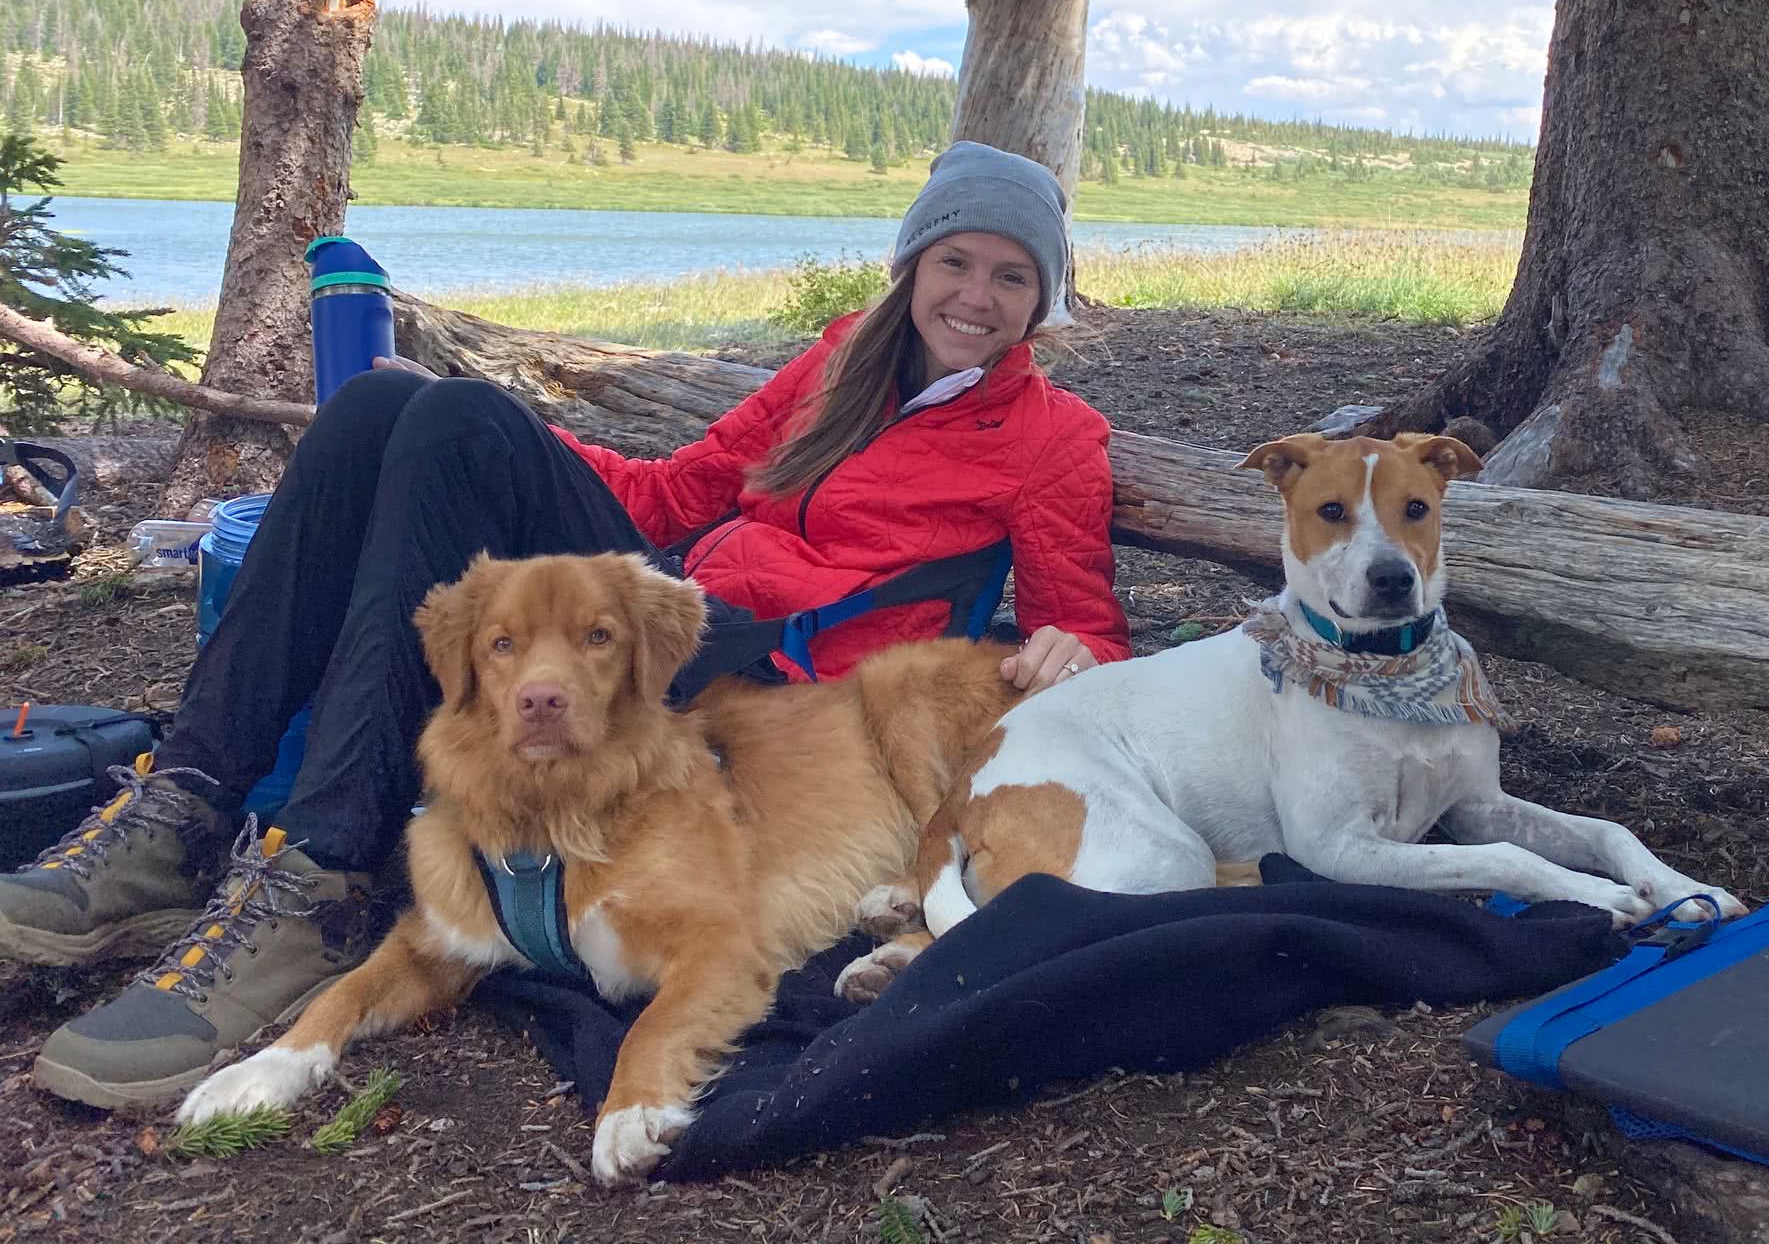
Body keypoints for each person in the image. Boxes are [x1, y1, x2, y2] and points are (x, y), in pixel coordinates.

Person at [0, 141, 1128, 1110]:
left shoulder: (1052, 435)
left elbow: (1086, 625)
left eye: (1011, 275)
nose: (976, 294)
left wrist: (1077, 649)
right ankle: (184, 801)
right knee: (383, 406)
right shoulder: (842, 362)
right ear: (914, 265)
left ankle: (322, 874)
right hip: (666, 605)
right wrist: (508, 442)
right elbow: (671, 495)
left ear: (1043, 296)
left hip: (767, 678)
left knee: (442, 417)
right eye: (956, 261)